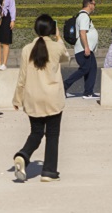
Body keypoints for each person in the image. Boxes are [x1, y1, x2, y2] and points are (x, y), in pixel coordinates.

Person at [12, 14, 70, 182]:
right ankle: (49, 172)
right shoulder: (57, 47)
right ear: (52, 29)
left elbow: (22, 76)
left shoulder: (26, 49)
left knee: (36, 132)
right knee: (52, 134)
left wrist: (17, 98)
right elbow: (67, 58)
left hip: (32, 96)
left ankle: (23, 154)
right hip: (52, 97)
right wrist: (59, 39)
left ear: (35, 29)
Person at [62, 0, 100, 99]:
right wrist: (86, 47)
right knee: (84, 69)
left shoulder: (84, 16)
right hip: (83, 49)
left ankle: (88, 92)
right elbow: (82, 33)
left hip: (86, 48)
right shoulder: (84, 16)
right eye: (94, 4)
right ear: (89, 5)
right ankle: (64, 85)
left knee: (92, 69)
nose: (95, 6)